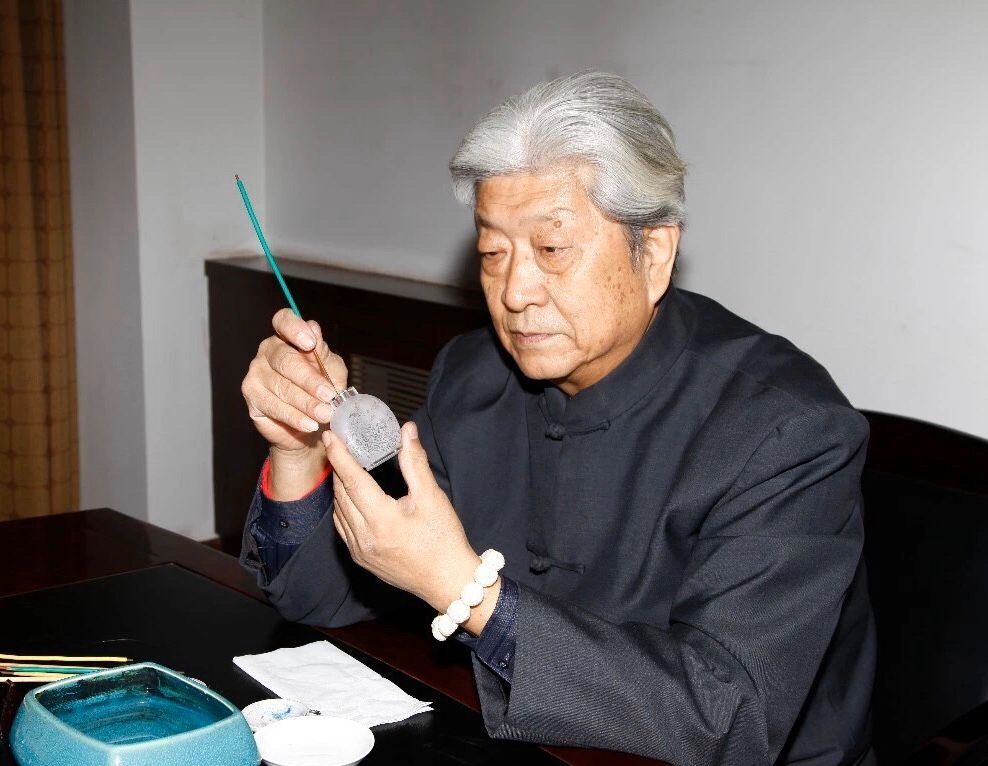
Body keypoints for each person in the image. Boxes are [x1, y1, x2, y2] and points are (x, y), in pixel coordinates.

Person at [239, 71, 875, 765]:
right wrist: (298, 445)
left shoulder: (786, 429)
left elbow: (726, 716)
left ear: (655, 253)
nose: (514, 291)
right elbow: (319, 599)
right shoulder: (472, 376)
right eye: (492, 253)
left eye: (552, 250)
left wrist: (465, 591)